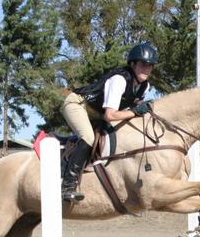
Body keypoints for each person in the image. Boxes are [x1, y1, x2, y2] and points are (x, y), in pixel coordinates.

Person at [60, 42, 158, 201]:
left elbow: (132, 108)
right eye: (143, 64)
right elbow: (110, 115)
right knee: (88, 137)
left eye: (150, 66)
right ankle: (67, 186)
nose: (146, 69)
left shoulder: (144, 86)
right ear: (133, 64)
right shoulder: (119, 80)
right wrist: (135, 112)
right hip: (77, 104)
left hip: (96, 112)